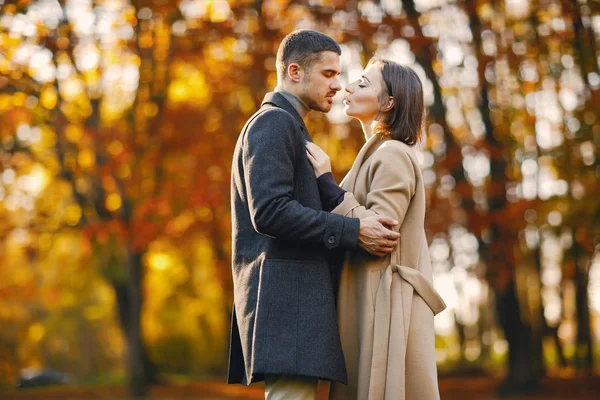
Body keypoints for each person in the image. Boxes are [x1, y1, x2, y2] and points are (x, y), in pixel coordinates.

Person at [228, 30, 401, 400]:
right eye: (327, 74)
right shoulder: (273, 123)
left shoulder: (288, 125)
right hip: (288, 310)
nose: (337, 85)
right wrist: (353, 230)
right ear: (294, 71)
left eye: (338, 75)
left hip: (295, 311)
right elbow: (270, 211)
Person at [306, 58, 447, 400]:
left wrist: (327, 184)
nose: (347, 87)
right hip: (367, 298)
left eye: (364, 84)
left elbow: (380, 234)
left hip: (383, 306)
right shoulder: (375, 155)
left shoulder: (393, 154)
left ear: (388, 103)